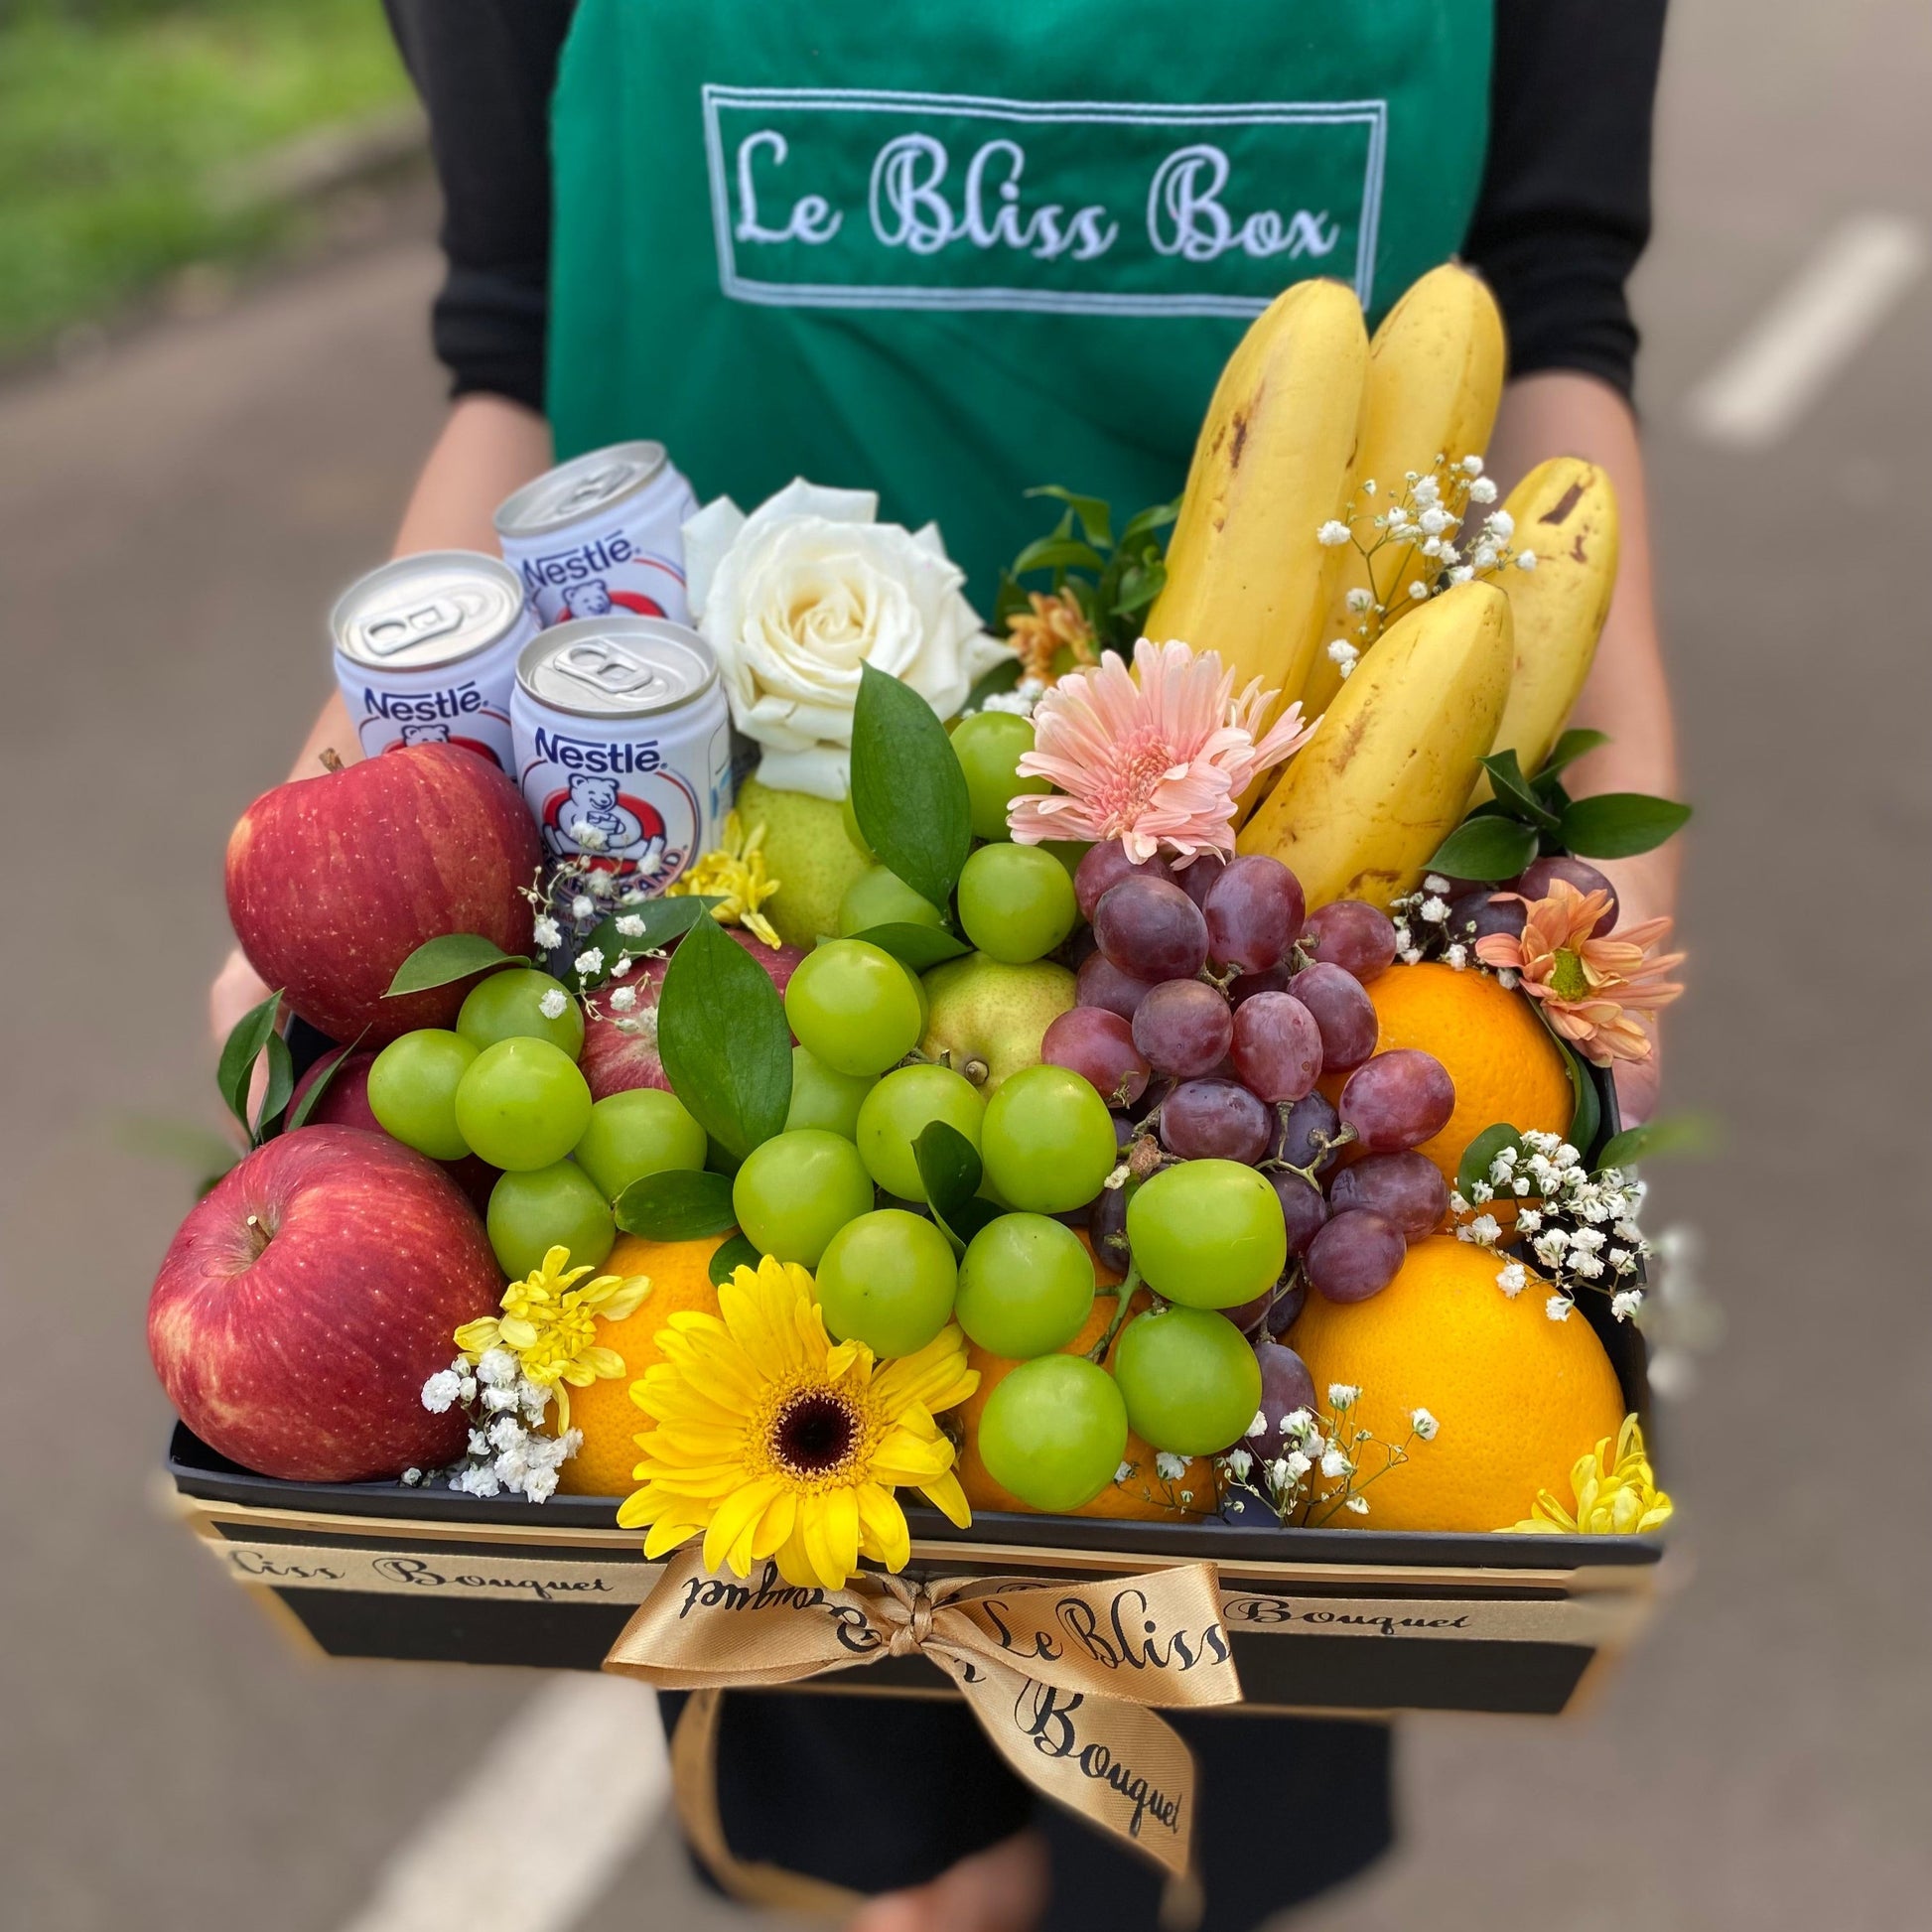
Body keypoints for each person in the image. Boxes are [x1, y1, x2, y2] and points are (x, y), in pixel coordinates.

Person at [212, 4, 1675, 1926]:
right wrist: (353, 817)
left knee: (1189, 1820)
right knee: (877, 1864)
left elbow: (1545, 312)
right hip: (704, 963)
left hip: (1274, 997)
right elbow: (515, 334)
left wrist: (1613, 846)